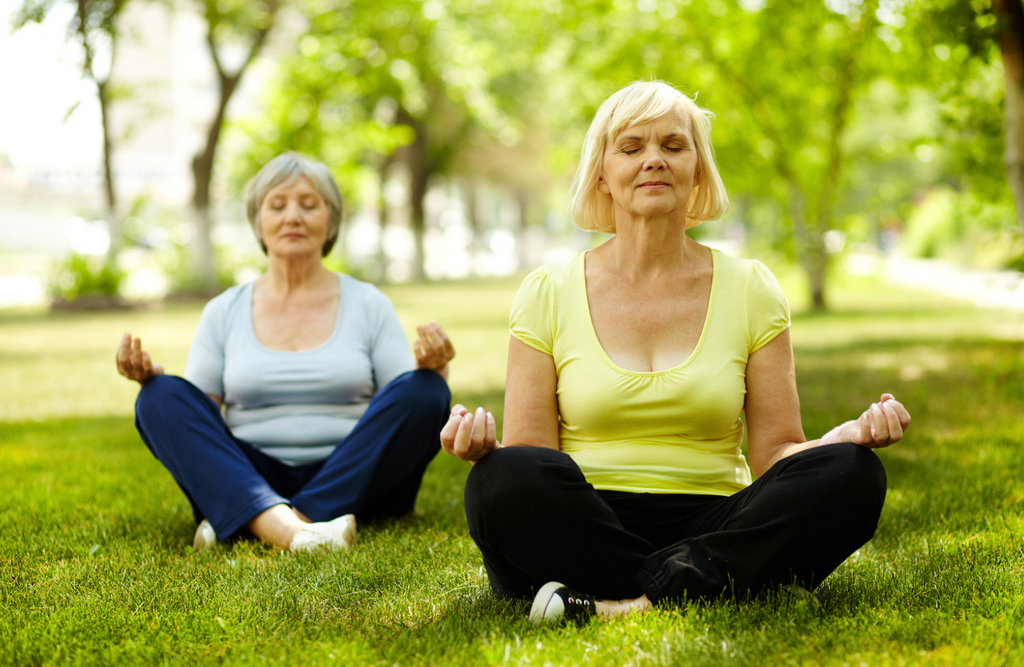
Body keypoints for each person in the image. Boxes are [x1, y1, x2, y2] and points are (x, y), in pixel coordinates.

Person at [440, 81, 911, 623]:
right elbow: (535, 456)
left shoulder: (752, 288)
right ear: (602, 173)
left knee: (854, 473)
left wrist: (841, 439)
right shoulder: (547, 290)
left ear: (698, 170)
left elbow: (776, 453)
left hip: (712, 518)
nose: (654, 161)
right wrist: (488, 453)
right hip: (587, 519)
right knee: (501, 480)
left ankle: (625, 604)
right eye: (631, 147)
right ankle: (731, 580)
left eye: (673, 145)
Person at [116, 153, 455, 552]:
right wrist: (158, 385)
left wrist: (435, 370)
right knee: (159, 397)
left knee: (427, 390)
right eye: (277, 206)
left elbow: (404, 410)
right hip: (252, 473)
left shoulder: (368, 303)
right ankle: (293, 531)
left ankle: (251, 520)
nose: (292, 216)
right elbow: (201, 425)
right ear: (258, 221)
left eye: (309, 205)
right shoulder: (224, 310)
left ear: (331, 220)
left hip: (353, 477)